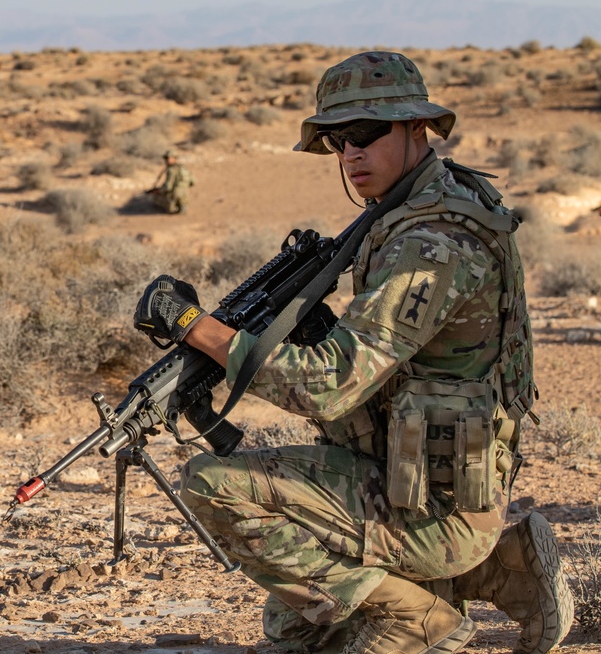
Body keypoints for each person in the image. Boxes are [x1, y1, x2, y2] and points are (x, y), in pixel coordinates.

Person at [132, 51, 572, 654]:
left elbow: (330, 384)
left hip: (433, 504)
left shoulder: (431, 241)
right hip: (420, 479)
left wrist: (195, 328)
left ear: (417, 128)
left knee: (212, 485)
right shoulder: (423, 204)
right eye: (338, 139)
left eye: (366, 133)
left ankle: (420, 617)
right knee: (294, 629)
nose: (350, 153)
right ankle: (504, 572)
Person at [149, 150, 195, 214]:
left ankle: (175, 208)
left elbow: (168, 187)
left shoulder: (171, 170)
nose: (166, 160)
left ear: (174, 158)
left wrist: (158, 191)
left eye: (168, 158)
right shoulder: (183, 168)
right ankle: (181, 207)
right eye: (166, 158)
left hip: (175, 195)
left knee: (156, 198)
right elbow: (193, 182)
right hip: (185, 194)